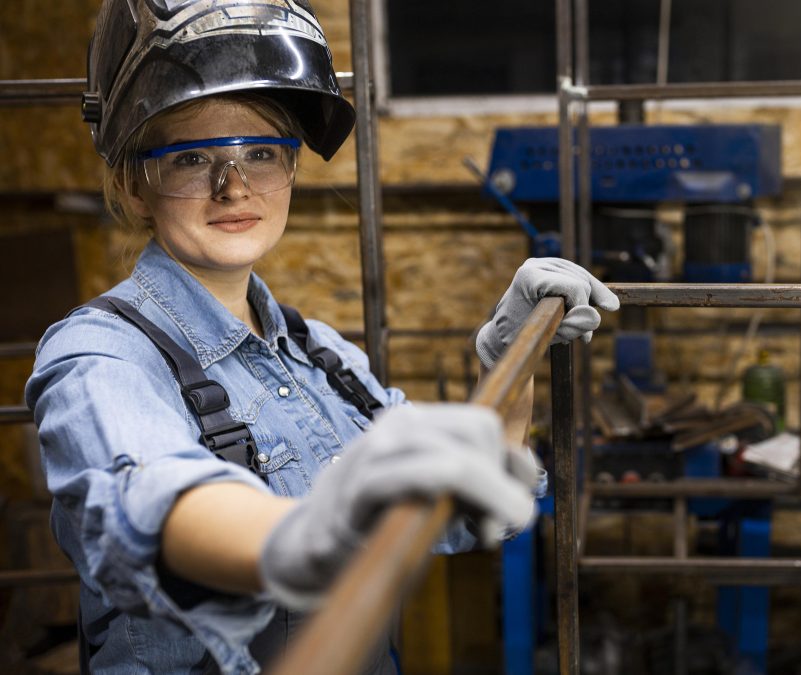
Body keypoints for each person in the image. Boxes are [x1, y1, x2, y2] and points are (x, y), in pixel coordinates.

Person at [24, 1, 620, 673]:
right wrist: (298, 537)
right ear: (136, 184)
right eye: (191, 157)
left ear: (291, 169)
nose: (234, 187)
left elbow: (464, 509)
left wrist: (508, 360)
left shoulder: (324, 356)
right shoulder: (98, 356)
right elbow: (144, 499)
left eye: (260, 152)